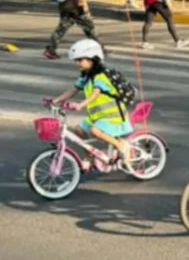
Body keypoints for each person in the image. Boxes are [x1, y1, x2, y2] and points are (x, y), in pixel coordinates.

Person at [45, 39, 133, 171]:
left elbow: (95, 94)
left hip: (112, 117)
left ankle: (122, 146)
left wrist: (80, 105)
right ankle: (89, 157)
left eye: (80, 60)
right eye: (76, 60)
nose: (77, 63)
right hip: (98, 117)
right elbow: (73, 90)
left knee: (94, 131)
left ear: (93, 59)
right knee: (78, 130)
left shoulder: (101, 77)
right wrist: (55, 100)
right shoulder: (85, 77)